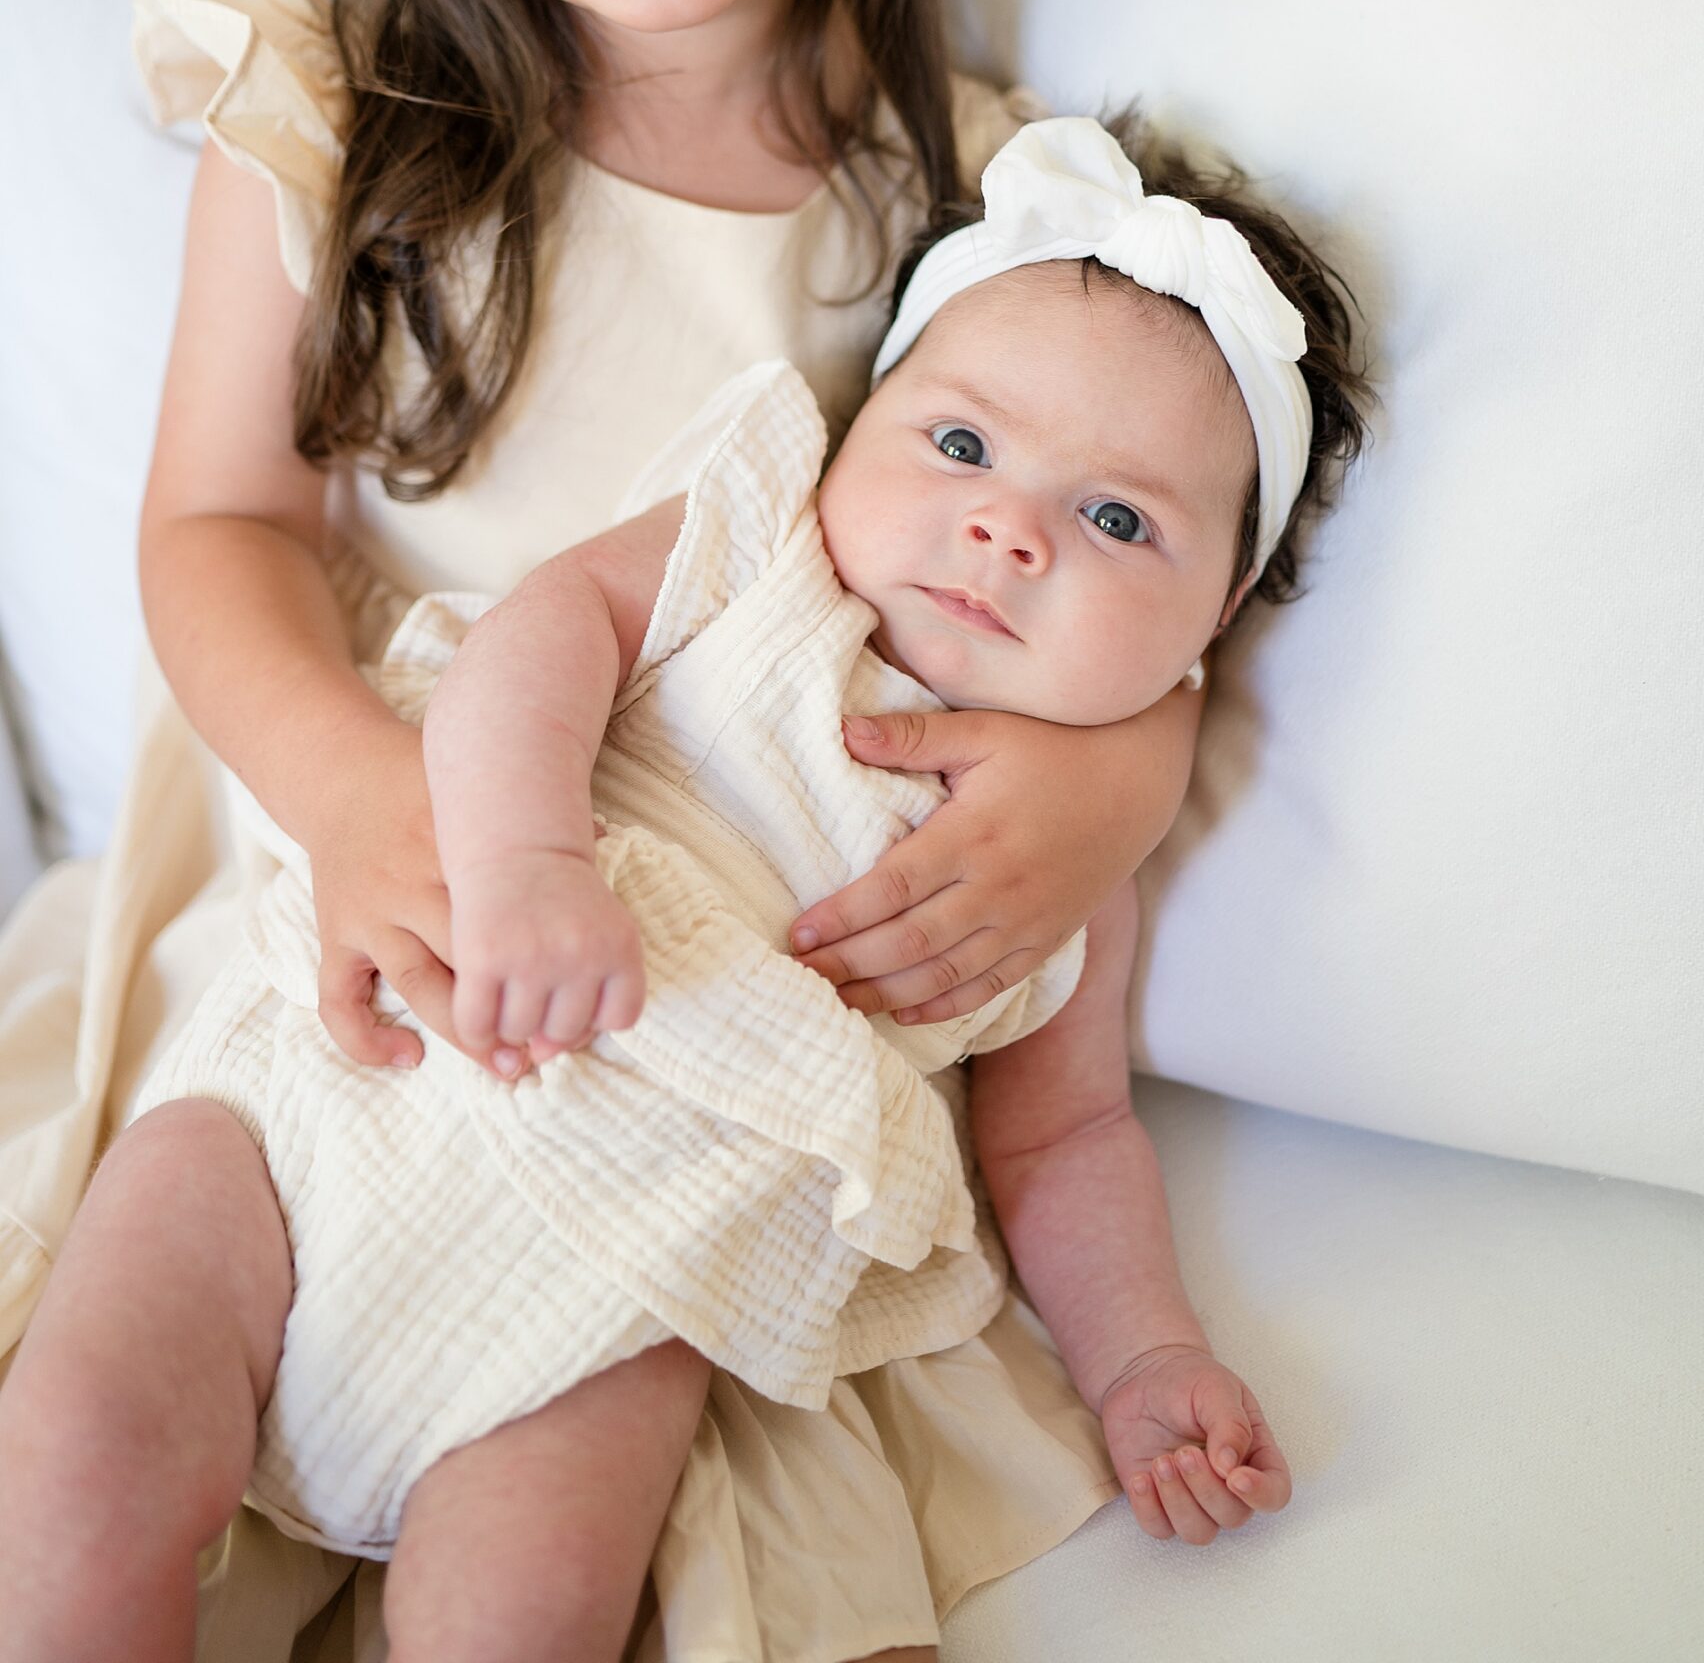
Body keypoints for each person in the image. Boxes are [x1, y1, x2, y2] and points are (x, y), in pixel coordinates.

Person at [0, 0, 1214, 1663]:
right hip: (340, 954)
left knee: (545, 1572)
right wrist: (369, 797)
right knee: (80, 1453)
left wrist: (1115, 780)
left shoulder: (982, 209)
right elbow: (216, 525)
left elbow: (1093, 564)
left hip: (672, 1045)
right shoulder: (341, 128)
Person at [6, 116, 1367, 1663]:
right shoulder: (756, 536)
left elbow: (1063, 1137)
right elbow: (542, 627)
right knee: (79, 1449)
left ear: (1213, 625)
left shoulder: (1059, 864)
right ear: (868, 417)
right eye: (962, 444)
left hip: (623, 1277)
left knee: (523, 1613)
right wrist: (524, 858)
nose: (1006, 528)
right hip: (358, 1079)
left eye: (1118, 520)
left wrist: (1142, 1355)